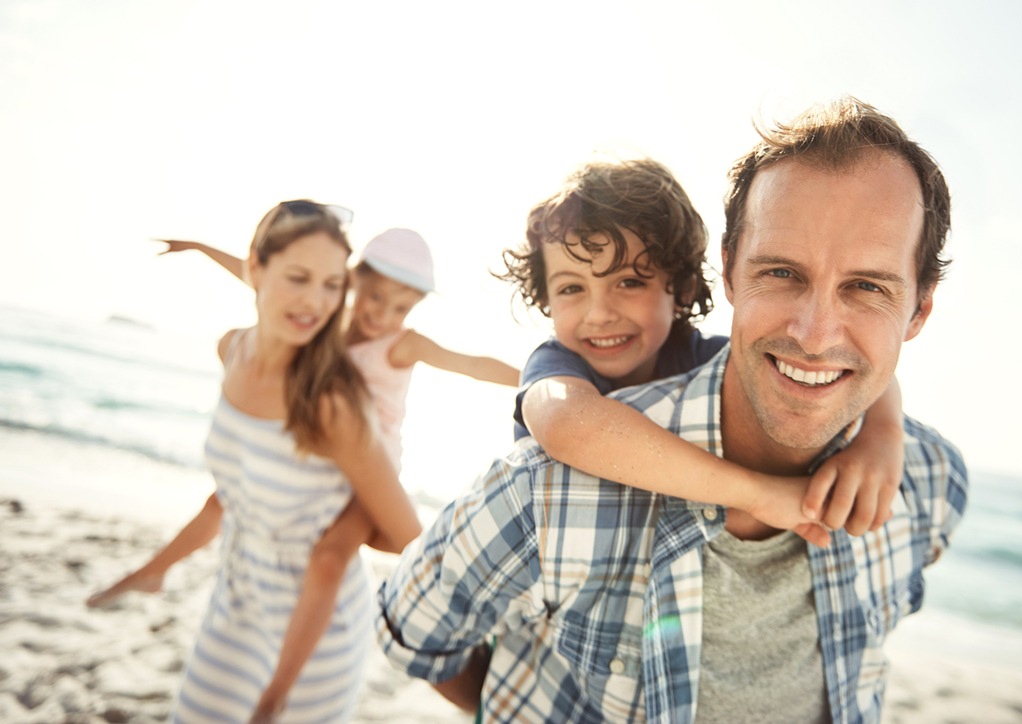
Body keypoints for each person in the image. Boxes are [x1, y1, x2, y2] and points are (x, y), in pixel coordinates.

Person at [376, 97, 968, 723]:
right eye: (782, 273)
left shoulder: (926, 481)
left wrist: (882, 436)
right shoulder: (544, 478)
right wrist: (759, 493)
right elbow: (413, 629)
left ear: (919, 311)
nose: (815, 334)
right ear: (732, 275)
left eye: (868, 286)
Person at [88, 223, 519, 720]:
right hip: (316, 457)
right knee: (224, 500)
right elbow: (263, 283)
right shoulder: (324, 319)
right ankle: (152, 571)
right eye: (375, 297)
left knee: (331, 555)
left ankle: (278, 693)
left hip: (367, 472)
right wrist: (200, 248)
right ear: (353, 281)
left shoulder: (402, 344)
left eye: (399, 307)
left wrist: (536, 376)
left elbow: (471, 365)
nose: (383, 314)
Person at [501, 159, 906, 539]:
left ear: (682, 288)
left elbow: (832, 364)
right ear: (547, 298)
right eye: (571, 288)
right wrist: (758, 494)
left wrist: (882, 440)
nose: (600, 313)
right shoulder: (556, 362)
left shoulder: (706, 359)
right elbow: (565, 426)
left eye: (629, 282)